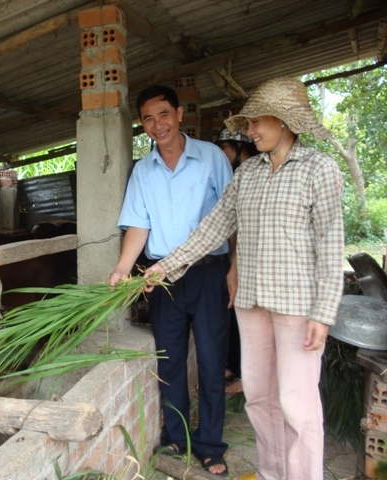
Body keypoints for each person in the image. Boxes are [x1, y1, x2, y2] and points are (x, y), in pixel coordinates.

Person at [144, 76, 344, 480]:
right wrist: (166, 266)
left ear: (285, 122)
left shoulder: (318, 169)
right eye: (248, 125)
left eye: (256, 123)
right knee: (259, 398)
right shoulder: (249, 173)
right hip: (252, 305)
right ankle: (273, 473)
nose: (249, 132)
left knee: (296, 402)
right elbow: (212, 228)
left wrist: (323, 314)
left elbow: (332, 243)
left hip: (296, 306)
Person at [107, 84, 234, 476]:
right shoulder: (143, 171)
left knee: (213, 363)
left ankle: (211, 445)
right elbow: (139, 225)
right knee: (170, 361)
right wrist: (123, 268)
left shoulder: (211, 158)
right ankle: (178, 437)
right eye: (147, 118)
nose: (157, 124)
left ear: (179, 114)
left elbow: (233, 218)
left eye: (163, 114)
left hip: (210, 273)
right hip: (162, 277)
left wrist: (235, 268)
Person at [214, 128, 260, 395]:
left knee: (246, 314)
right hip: (238, 255)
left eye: (224, 147)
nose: (221, 153)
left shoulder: (252, 173)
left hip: (251, 258)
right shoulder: (240, 173)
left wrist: (236, 260)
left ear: (239, 147)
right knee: (234, 310)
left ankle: (246, 377)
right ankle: (235, 366)